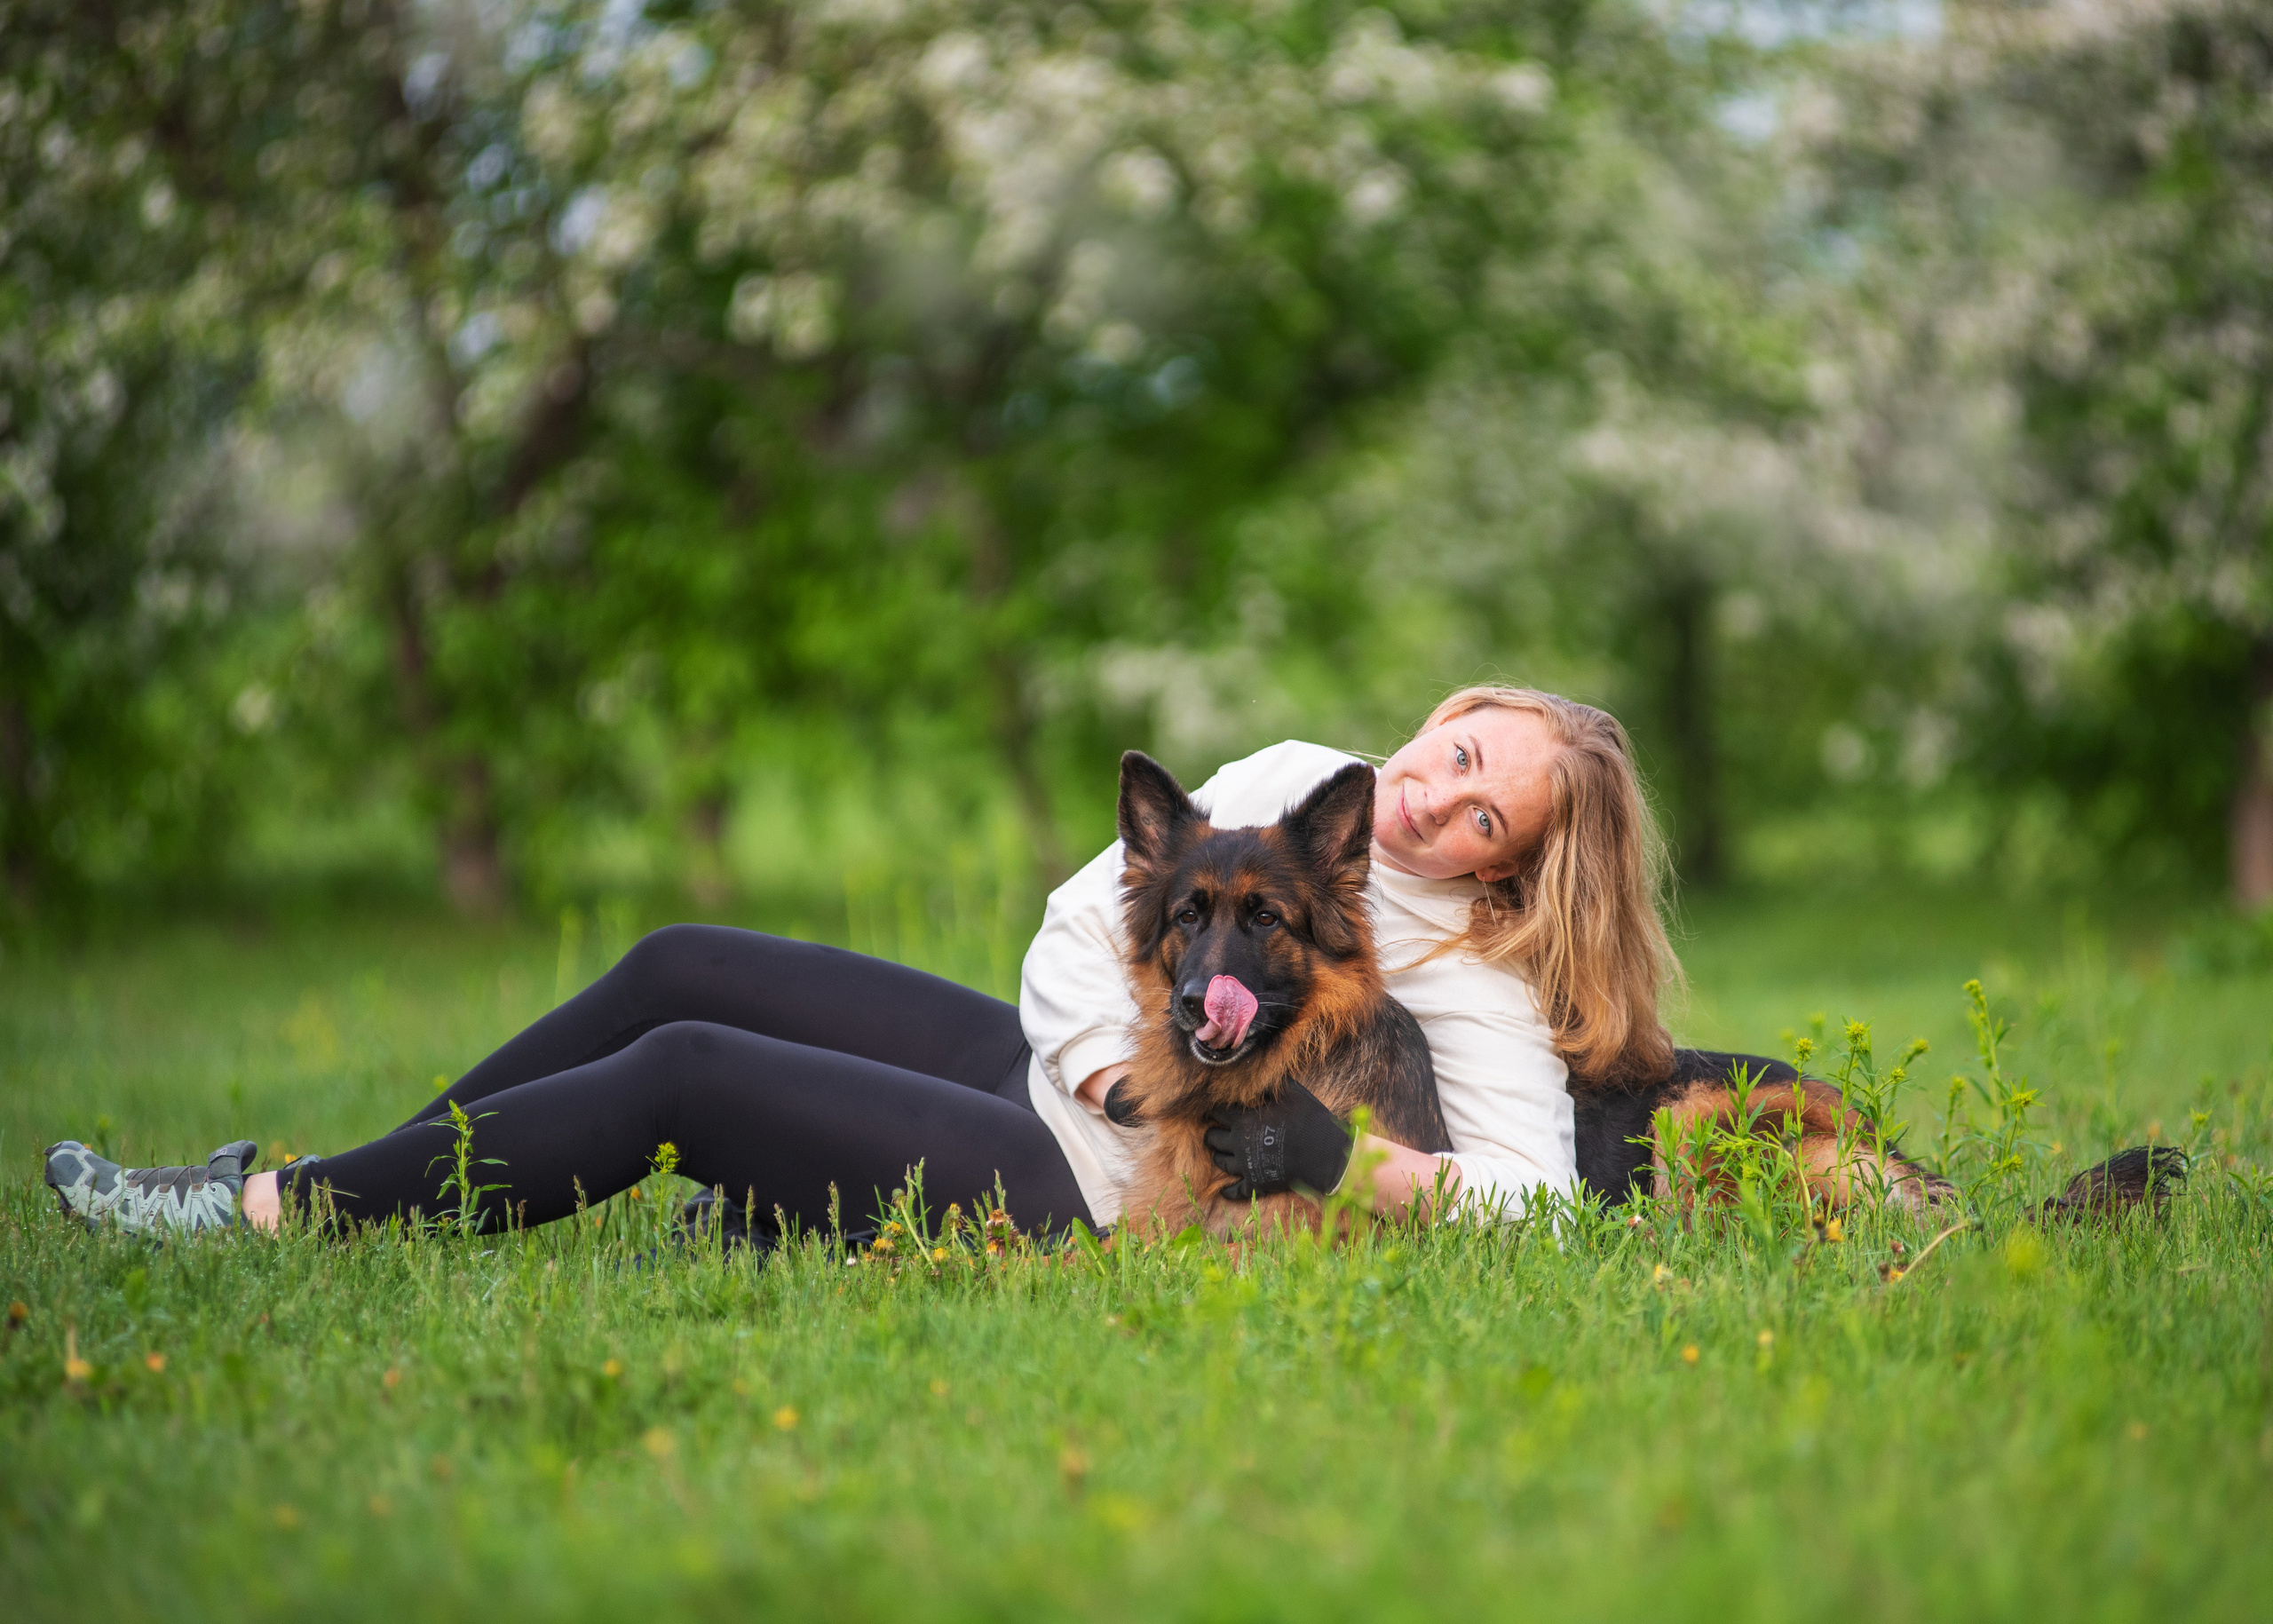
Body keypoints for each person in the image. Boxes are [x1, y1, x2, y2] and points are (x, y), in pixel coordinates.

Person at [44, 685, 1675, 1242]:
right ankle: (384, 1173)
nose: (1442, 789)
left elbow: (1540, 1205)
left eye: (1488, 810)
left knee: (689, 1083)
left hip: (1099, 1199)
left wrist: (1350, 1166)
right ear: (1444, 709)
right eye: (1465, 743)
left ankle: (272, 1212)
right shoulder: (1295, 775)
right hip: (1061, 1089)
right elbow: (1072, 919)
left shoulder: (1473, 966)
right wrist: (1111, 1060)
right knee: (685, 960)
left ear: (1512, 865)